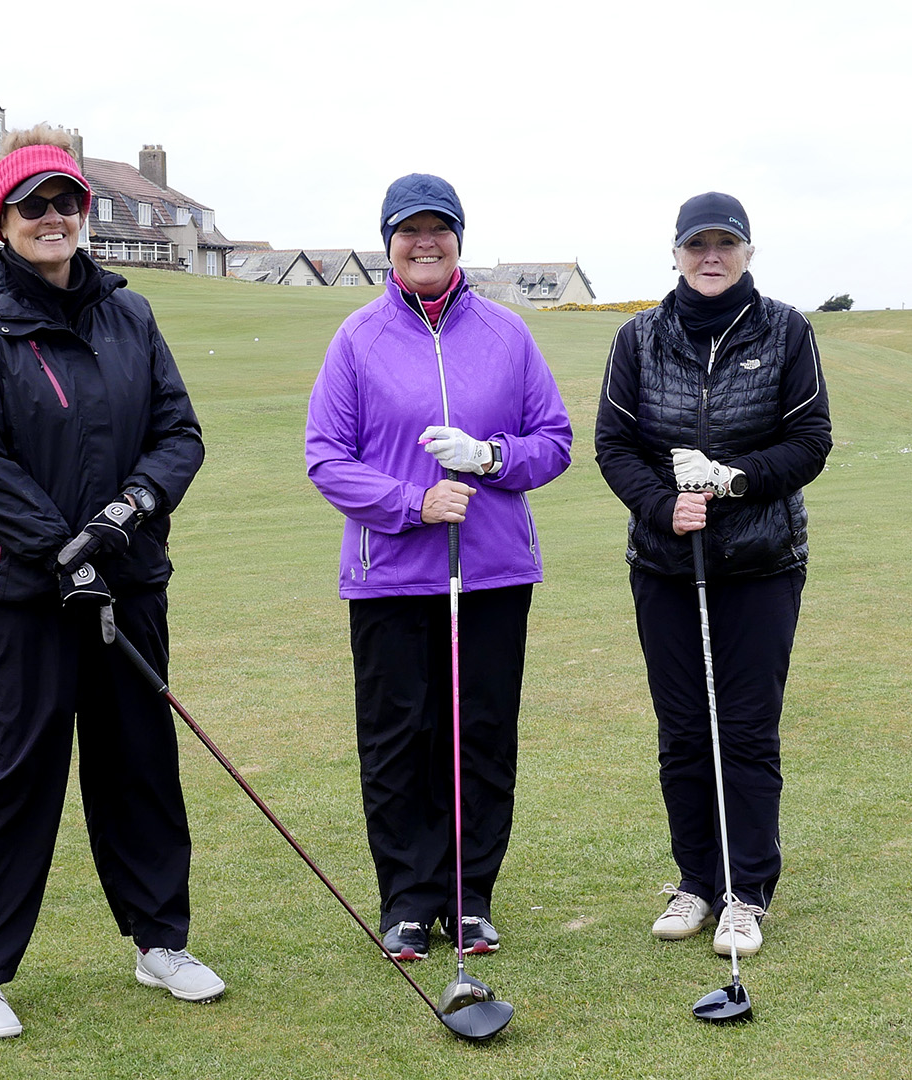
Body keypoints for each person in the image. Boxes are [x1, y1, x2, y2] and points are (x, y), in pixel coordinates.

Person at [0, 126, 221, 1038]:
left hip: (128, 582)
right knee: (17, 773)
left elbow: (179, 435)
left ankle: (158, 941)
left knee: (140, 761)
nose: (53, 218)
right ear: (4, 220)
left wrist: (119, 521)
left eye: (66, 202)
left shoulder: (129, 315)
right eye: (34, 206)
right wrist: (66, 551)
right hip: (20, 595)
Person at [304, 174, 573, 961]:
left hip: (491, 573)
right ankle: (408, 901)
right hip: (390, 573)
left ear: (459, 237)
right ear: (388, 242)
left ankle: (471, 895)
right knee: (399, 740)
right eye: (409, 230)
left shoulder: (506, 335)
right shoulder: (358, 338)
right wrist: (412, 504)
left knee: (481, 734)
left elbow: (552, 440)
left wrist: (492, 457)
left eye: (440, 229)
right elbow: (326, 457)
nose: (426, 243)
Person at [594, 191, 832, 961]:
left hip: (762, 563)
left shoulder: (786, 329)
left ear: (748, 254)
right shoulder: (639, 337)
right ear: (675, 253)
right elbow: (614, 444)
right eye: (697, 245)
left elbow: (810, 440)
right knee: (685, 731)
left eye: (725, 244)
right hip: (666, 564)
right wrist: (665, 506)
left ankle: (746, 892)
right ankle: (697, 879)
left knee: (747, 730)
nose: (711, 256)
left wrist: (732, 480)